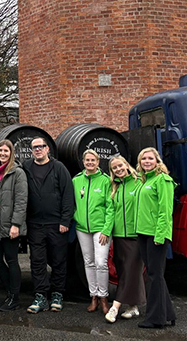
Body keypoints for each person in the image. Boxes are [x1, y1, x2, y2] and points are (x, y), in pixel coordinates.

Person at [22, 137, 74, 313]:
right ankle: (41, 295)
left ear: (47, 149)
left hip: (56, 224)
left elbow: (68, 195)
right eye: (35, 147)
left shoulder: (58, 167)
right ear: (31, 151)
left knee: (59, 260)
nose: (38, 150)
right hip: (35, 224)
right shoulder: (27, 167)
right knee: (37, 261)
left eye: (41, 147)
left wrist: (65, 220)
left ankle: (58, 293)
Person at [135, 147, 177, 329]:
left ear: (157, 161)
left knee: (155, 275)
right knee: (154, 274)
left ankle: (155, 319)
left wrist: (160, 236)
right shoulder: (145, 181)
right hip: (143, 233)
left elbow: (165, 211)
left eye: (150, 158)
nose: (146, 161)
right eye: (143, 159)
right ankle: (168, 313)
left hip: (155, 235)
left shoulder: (163, 180)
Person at [0, 139, 28, 311]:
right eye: (0, 151)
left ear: (11, 153)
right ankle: (10, 289)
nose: (3, 154)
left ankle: (14, 297)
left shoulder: (18, 173)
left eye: (6, 151)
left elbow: (21, 200)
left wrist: (16, 224)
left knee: (11, 259)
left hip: (10, 223)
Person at [104, 155, 145, 323]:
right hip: (119, 236)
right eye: (114, 168)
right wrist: (107, 231)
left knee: (131, 270)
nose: (118, 169)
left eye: (120, 165)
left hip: (137, 236)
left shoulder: (139, 182)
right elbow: (111, 211)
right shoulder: (115, 187)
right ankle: (133, 307)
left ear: (127, 165)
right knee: (125, 272)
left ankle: (115, 307)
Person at [72, 149, 114, 315]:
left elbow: (111, 207)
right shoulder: (76, 180)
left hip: (100, 229)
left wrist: (106, 229)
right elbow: (72, 202)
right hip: (82, 228)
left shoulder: (105, 181)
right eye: (87, 160)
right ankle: (93, 296)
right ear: (83, 162)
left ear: (98, 162)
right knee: (88, 262)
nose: (90, 163)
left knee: (101, 262)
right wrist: (77, 217)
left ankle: (104, 297)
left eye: (93, 160)